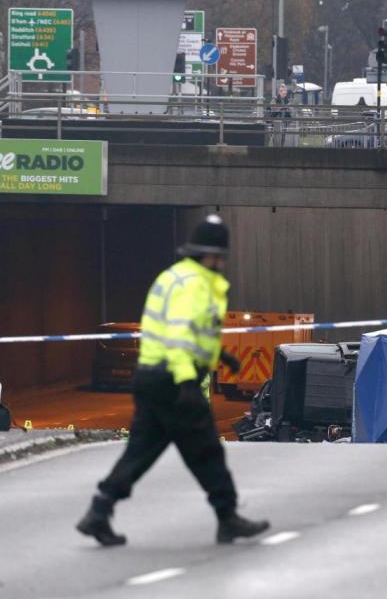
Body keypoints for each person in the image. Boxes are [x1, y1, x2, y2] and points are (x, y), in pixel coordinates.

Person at [76, 214, 270, 547]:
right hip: (172, 379)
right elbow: (180, 336)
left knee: (140, 451)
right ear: (206, 255)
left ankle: (99, 510)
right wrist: (185, 384)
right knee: (206, 451)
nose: (223, 262)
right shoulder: (196, 285)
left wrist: (220, 357)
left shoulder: (172, 277)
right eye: (219, 256)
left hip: (150, 377)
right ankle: (227, 517)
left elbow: (182, 330)